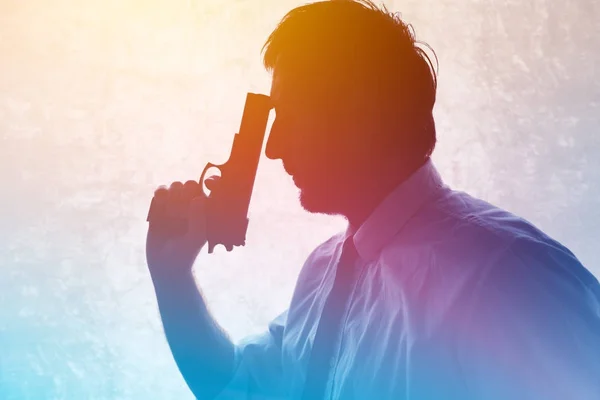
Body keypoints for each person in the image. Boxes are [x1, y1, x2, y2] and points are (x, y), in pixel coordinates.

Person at [145, 1, 600, 399]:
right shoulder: (323, 273)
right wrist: (172, 279)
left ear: (359, 113)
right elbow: (239, 387)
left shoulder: (508, 276)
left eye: (290, 116)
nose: (274, 147)